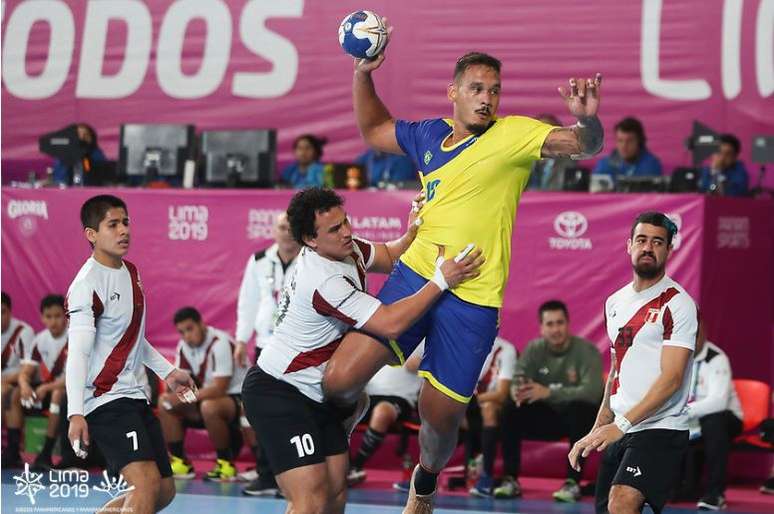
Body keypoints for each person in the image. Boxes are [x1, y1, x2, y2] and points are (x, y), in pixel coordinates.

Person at [322, 40, 604, 513]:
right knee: (338, 380)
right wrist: (362, 74)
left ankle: (425, 481)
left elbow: (583, 144)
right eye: (476, 88)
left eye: (494, 90)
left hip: (472, 298)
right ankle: (353, 416)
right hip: (416, 276)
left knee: (440, 414)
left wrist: (588, 120)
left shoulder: (514, 135)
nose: (486, 98)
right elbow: (374, 129)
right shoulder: (428, 134)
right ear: (452, 92)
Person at [241, 187, 482, 514]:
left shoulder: (343, 247)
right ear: (311, 240)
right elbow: (391, 323)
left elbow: (387, 254)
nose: (347, 232)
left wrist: (411, 232)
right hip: (279, 392)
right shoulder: (324, 281)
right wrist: (441, 282)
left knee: (335, 497)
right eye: (335, 229)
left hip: (318, 395)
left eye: (345, 222)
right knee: (309, 502)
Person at [65, 194, 196, 514]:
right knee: (145, 484)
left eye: (126, 222)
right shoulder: (86, 285)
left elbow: (132, 338)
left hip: (134, 395)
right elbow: (78, 354)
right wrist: (75, 413)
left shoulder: (131, 271)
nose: (124, 230)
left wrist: (168, 372)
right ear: (91, 235)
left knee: (164, 491)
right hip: (105, 399)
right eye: (113, 224)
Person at [568, 211, 698, 514]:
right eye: (641, 240)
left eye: (657, 242)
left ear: (669, 249)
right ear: (629, 245)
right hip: (622, 426)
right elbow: (617, 370)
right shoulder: (615, 302)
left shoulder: (678, 304)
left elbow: (672, 378)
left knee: (622, 503)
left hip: (661, 426)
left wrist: (621, 425)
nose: (648, 248)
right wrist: (598, 427)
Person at [495, 300, 603, 502]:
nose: (555, 329)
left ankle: (572, 483)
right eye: (550, 324)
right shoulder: (534, 349)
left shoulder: (587, 351)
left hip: (577, 421)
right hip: (545, 418)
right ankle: (510, 479)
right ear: (542, 328)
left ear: (568, 324)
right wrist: (520, 391)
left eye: (560, 323)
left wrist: (548, 393)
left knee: (583, 409)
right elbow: (517, 380)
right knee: (511, 409)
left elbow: (592, 393)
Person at [234, 211, 300, 495]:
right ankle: (266, 474)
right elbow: (247, 302)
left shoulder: (312, 260)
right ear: (274, 230)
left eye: (290, 228)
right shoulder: (260, 261)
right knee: (263, 411)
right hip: (265, 345)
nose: (286, 232)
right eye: (282, 227)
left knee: (295, 412)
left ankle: (295, 479)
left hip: (299, 345)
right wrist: (240, 340)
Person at [159, 307, 247, 481]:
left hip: (238, 399)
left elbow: (219, 388)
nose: (186, 336)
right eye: (181, 332)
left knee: (209, 407)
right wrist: (172, 393)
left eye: (190, 329)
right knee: (164, 403)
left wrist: (183, 397)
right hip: (206, 396)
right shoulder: (184, 346)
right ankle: (180, 463)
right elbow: (178, 381)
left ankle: (226, 464)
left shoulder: (219, 342)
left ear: (201, 324)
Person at [677, 320, 743, 510]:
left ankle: (716, 493)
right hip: (692, 419)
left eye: (695, 335)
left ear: (704, 334)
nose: (691, 340)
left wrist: (684, 412)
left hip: (727, 417)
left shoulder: (716, 357)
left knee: (714, 421)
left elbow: (718, 402)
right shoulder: (677, 356)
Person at [348, 348, 423, 485]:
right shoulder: (381, 330)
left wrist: (420, 361)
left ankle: (355, 466)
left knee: (382, 412)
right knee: (339, 407)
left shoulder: (425, 338)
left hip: (401, 398)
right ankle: (343, 465)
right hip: (368, 393)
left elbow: (416, 365)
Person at [13, 295, 69, 470]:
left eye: (58, 316)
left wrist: (47, 387)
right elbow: (26, 371)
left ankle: (46, 453)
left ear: (66, 315)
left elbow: (74, 378)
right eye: (49, 316)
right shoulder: (40, 339)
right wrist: (24, 385)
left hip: (71, 391)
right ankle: (13, 452)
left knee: (57, 395)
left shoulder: (75, 337)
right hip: (48, 391)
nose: (53, 321)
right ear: (42, 318)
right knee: (14, 394)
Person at [465, 336, 517, 498]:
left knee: (488, 408)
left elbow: (501, 394)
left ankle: (486, 476)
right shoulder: (464, 345)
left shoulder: (505, 350)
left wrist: (472, 402)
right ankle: (424, 473)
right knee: (438, 410)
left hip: (492, 407)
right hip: (467, 407)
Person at [1, 291, 36, 468]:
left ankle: (13, 450)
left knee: (7, 393)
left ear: (10, 311)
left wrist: (8, 379)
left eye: (2, 312)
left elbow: (29, 367)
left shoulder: (23, 331)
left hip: (24, 383)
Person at [592, 117, 662, 183]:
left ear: (639, 141)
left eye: (630, 141)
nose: (624, 145)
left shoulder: (651, 165)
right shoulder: (605, 164)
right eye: (620, 140)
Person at [527, 114, 575, 190]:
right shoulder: (524, 159)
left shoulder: (569, 162)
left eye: (548, 132)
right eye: (538, 131)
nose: (543, 136)